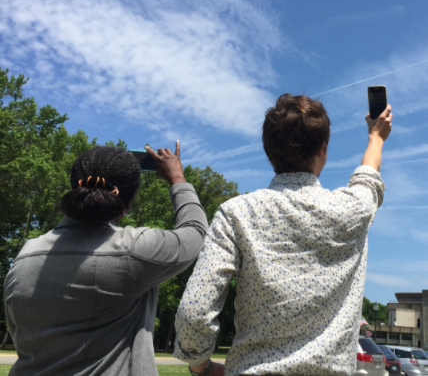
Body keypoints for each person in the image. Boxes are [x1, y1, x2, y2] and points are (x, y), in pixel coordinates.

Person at [174, 94, 392, 376]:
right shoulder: (352, 210)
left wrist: (201, 367)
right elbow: (367, 177)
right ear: (323, 148)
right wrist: (376, 136)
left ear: (269, 153)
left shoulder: (237, 213)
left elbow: (194, 313)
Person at [4, 142, 208, 376]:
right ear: (127, 202)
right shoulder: (133, 251)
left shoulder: (25, 255)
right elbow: (195, 232)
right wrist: (177, 179)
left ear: (75, 188)